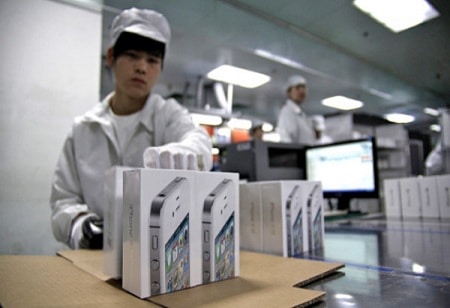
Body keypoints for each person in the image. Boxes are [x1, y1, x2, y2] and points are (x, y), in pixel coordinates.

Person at [50, 8, 212, 249]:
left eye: (152, 60)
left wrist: (188, 152)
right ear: (111, 57)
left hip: (153, 256)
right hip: (93, 259)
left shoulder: (167, 115)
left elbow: (197, 140)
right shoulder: (83, 130)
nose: (142, 68)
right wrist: (82, 227)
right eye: (132, 56)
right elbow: (63, 201)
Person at [276, 75, 315, 145]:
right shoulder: (287, 111)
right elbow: (286, 140)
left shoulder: (303, 114)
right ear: (289, 92)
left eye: (303, 87)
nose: (302, 91)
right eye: (297, 88)